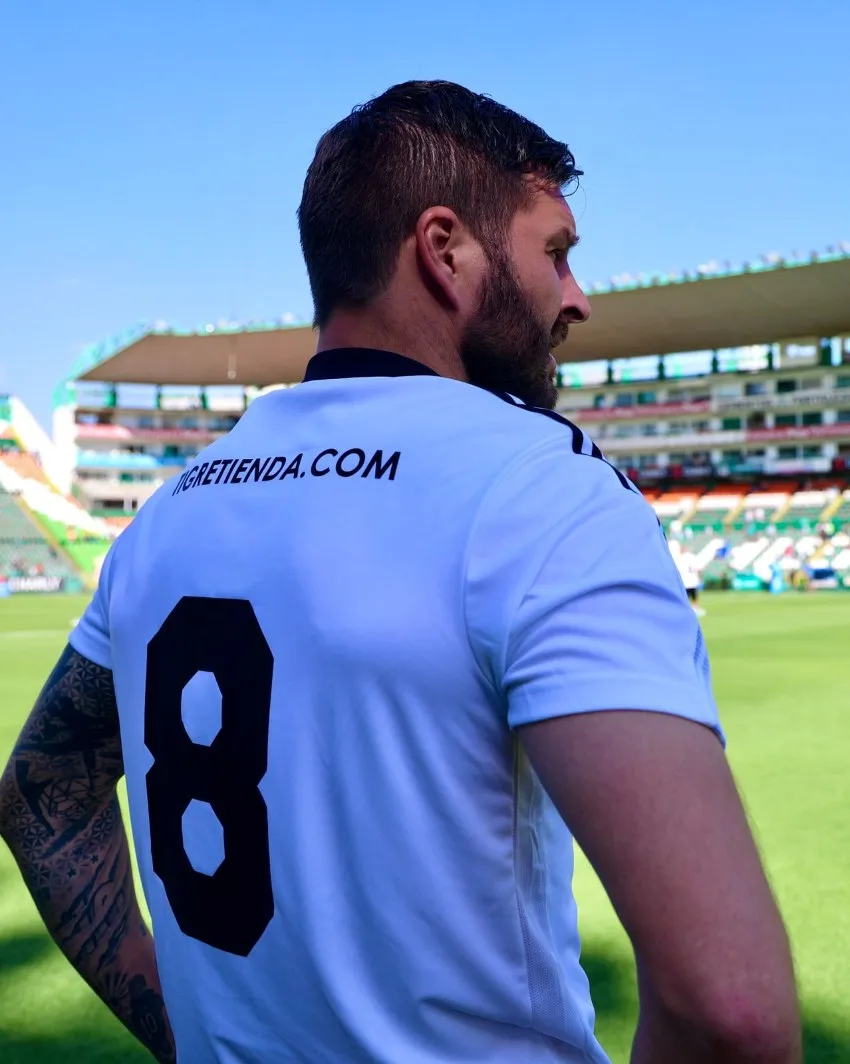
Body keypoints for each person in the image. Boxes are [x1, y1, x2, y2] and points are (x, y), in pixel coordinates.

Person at [0, 81, 800, 1064]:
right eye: (556, 250)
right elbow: (733, 1010)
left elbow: (45, 792)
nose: (577, 296)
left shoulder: (169, 514)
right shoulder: (538, 488)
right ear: (444, 247)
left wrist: (185, 1032)